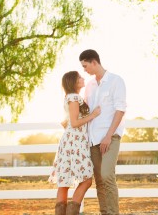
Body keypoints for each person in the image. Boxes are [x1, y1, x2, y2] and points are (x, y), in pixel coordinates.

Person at [79, 49, 126, 215]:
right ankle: (104, 212)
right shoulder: (90, 85)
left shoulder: (115, 81)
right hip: (92, 139)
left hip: (110, 137)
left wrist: (108, 136)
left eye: (85, 66)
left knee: (106, 175)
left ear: (94, 62)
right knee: (99, 180)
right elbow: (85, 109)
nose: (84, 70)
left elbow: (120, 110)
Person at [49, 71, 101, 215]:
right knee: (86, 180)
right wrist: (93, 115)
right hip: (74, 142)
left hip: (73, 141)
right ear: (73, 81)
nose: (82, 78)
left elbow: (68, 121)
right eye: (79, 77)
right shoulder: (73, 97)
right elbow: (75, 122)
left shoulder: (72, 97)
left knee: (65, 182)